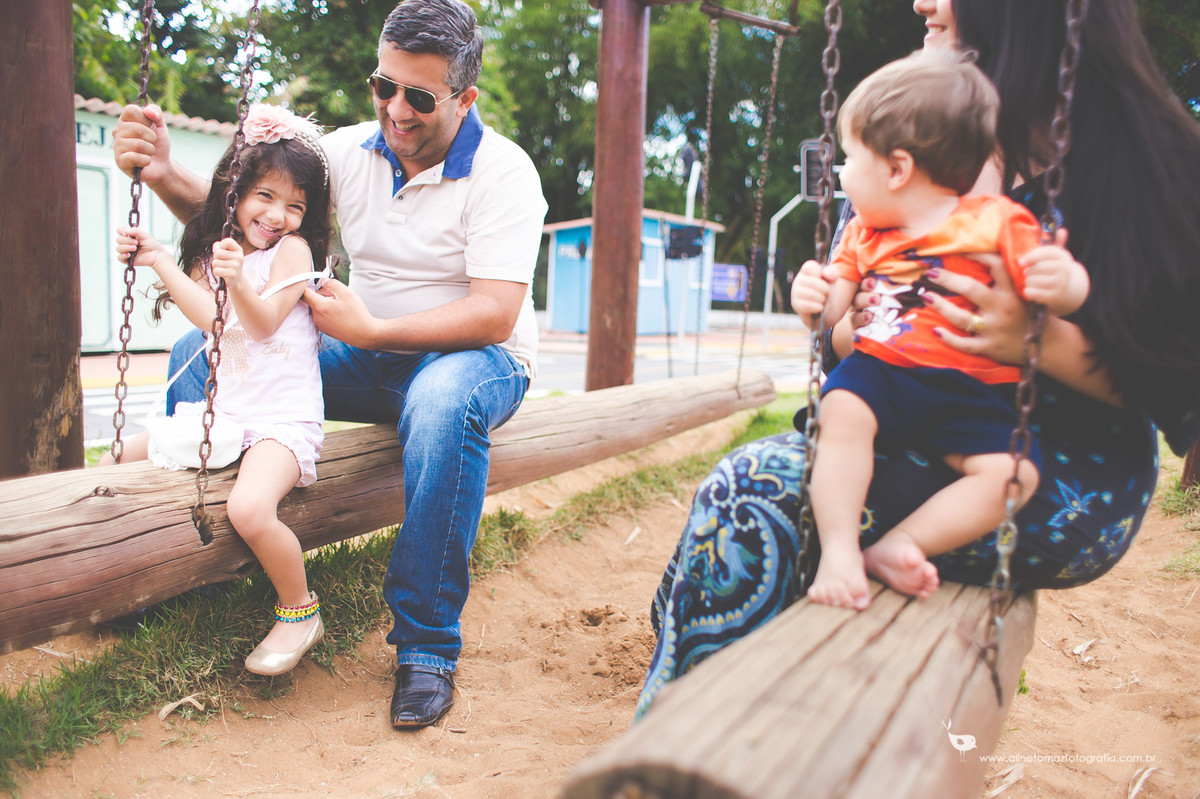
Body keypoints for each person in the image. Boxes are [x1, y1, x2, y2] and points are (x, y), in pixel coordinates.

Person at [636, 0, 1200, 720]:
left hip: (1047, 469)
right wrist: (849, 318)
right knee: (753, 487)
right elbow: (843, 334)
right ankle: (706, 665)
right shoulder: (906, 133)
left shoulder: (1137, 164)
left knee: (751, 488)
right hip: (903, 414)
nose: (921, 3)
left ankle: (680, 741)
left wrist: (1035, 340)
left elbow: (1178, 385)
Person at [113, 0, 547, 728]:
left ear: (465, 98)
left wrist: (373, 330)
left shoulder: (505, 173)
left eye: (419, 97)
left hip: (474, 360)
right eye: (384, 86)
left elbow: (494, 312)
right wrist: (162, 173)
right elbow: (255, 215)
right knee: (197, 352)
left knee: (443, 404)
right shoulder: (349, 152)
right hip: (362, 348)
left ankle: (426, 644)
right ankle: (181, 564)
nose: (396, 110)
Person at [791, 51, 1089, 610]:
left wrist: (1064, 280)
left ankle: (904, 544)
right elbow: (830, 312)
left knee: (1014, 474)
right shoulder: (863, 234)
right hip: (880, 373)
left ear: (897, 169)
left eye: (850, 158)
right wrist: (809, 298)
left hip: (970, 389)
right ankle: (839, 552)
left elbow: (1052, 286)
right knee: (841, 414)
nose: (842, 174)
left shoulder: (997, 220)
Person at [102, 104, 331, 676]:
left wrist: (236, 280)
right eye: (265, 196)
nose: (278, 215)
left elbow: (261, 323)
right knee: (117, 458)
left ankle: (300, 611)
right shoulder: (216, 253)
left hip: (281, 423)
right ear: (235, 192)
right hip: (227, 416)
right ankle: (115, 573)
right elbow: (211, 318)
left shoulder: (293, 252)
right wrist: (159, 260)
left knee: (248, 509)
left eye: (295, 205)